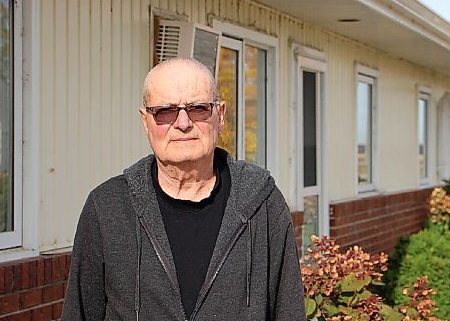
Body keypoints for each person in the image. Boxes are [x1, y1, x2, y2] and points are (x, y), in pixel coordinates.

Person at [61, 58, 306, 320]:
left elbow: (289, 311)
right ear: (146, 121)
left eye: (198, 108)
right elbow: (81, 312)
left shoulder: (263, 204)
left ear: (220, 115)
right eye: (165, 111)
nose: (183, 123)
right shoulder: (107, 208)